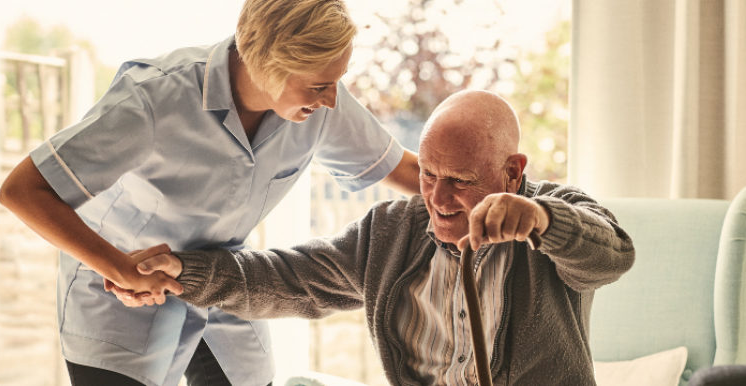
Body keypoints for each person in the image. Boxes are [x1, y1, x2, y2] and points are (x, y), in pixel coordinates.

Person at [0, 0, 421, 385]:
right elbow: (23, 190)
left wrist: (485, 202)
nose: (331, 99)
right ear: (270, 62)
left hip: (224, 286)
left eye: (336, 81)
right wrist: (117, 267)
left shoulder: (318, 98)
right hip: (124, 295)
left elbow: (409, 170)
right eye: (318, 86)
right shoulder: (155, 98)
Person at [124, 90, 636, 386]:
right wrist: (184, 272)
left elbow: (612, 256)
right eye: (429, 174)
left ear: (512, 169)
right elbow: (288, 278)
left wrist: (542, 219)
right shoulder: (391, 232)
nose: (438, 197)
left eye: (461, 181)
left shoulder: (553, 216)